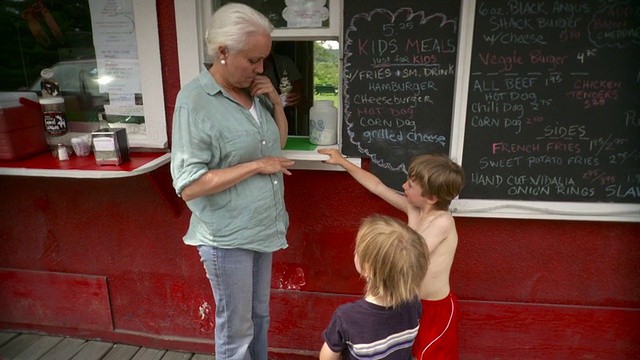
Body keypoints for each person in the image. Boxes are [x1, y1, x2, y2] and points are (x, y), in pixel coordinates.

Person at [170, 3, 294, 359]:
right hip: (226, 236)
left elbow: (278, 143)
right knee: (236, 328)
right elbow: (189, 184)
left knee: (259, 317)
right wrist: (256, 166)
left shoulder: (254, 91)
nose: (260, 68)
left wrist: (276, 101)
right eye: (253, 60)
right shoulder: (194, 102)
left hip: (261, 227)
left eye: (263, 60)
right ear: (223, 51)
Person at [318, 149, 465, 360]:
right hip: (408, 303)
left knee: (431, 355)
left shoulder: (443, 222)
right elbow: (377, 186)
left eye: (411, 186)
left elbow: (408, 257)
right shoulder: (414, 208)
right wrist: (343, 162)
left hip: (434, 309)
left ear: (431, 198)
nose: (404, 186)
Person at [320, 215, 429, 360]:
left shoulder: (347, 317)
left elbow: (327, 357)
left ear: (366, 269)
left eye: (359, 251)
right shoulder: (413, 304)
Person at [261, 49, 306, 134]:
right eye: (253, 60)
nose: (259, 69)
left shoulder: (283, 63)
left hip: (282, 120)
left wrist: (296, 98)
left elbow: (303, 101)